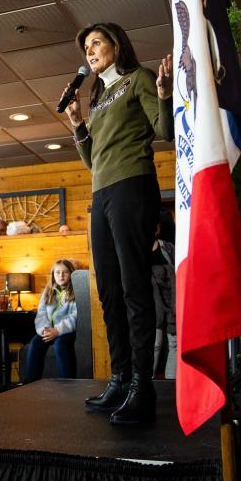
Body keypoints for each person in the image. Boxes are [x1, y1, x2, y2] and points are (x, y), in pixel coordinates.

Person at [66, 22, 173, 425]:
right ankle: (119, 378)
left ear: (116, 45)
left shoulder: (138, 78)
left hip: (133, 186)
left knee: (133, 287)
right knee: (108, 291)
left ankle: (142, 386)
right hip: (102, 193)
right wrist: (78, 123)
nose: (90, 51)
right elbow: (93, 161)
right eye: (86, 47)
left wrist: (164, 96)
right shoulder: (99, 99)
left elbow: (164, 130)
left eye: (96, 42)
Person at [24, 260, 78, 382]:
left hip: (66, 331)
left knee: (60, 344)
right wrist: (45, 330)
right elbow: (41, 314)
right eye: (57, 272)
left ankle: (67, 384)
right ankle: (30, 383)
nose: (61, 275)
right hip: (49, 330)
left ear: (71, 274)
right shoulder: (48, 292)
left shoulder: (75, 291)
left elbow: (75, 316)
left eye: (65, 272)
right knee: (35, 343)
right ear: (53, 275)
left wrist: (57, 330)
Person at [151, 218, 176, 379]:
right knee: (155, 345)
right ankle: (144, 386)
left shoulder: (168, 248)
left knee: (175, 345)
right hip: (152, 306)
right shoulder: (137, 251)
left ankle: (171, 385)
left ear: (157, 229)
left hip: (173, 302)